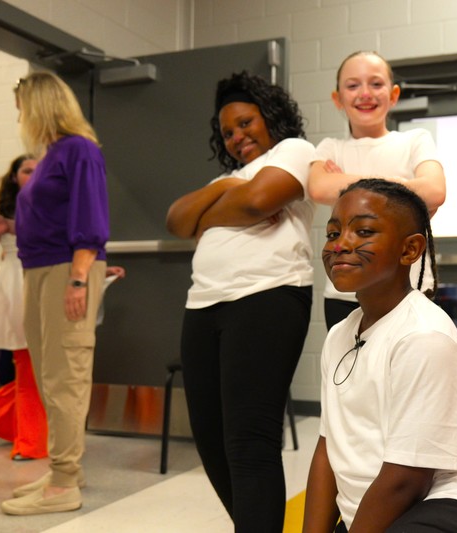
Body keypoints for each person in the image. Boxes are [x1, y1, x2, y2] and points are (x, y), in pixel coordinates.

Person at [303, 179, 457, 533]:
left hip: (446, 507)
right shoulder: (339, 334)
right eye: (333, 233)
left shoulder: (423, 336)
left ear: (410, 250)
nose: (341, 244)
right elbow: (326, 450)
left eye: (363, 231)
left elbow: (407, 480)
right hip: (377, 511)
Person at [165, 70, 315, 532]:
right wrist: (224, 188)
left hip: (267, 299)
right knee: (211, 443)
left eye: (246, 123)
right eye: (227, 131)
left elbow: (261, 200)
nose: (237, 137)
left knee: (249, 442)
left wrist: (211, 213)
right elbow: (175, 220)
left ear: (270, 117)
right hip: (204, 307)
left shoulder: (296, 152)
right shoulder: (228, 179)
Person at [0, 71, 109, 516]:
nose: (19, 117)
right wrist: (9, 226)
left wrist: (78, 277)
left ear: (39, 106)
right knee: (48, 375)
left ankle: (66, 483)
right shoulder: (53, 154)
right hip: (40, 268)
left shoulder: (79, 150)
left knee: (65, 374)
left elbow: (90, 219)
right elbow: (52, 219)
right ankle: (60, 470)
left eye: (21, 108)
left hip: (65, 270)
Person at [309, 51, 446, 329]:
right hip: (343, 291)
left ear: (393, 95)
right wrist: (403, 187)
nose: (365, 93)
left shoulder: (415, 140)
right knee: (347, 370)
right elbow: (319, 187)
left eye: (375, 84)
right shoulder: (329, 147)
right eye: (352, 85)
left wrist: (348, 184)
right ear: (337, 98)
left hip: (408, 286)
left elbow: (434, 190)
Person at [0, 155, 48, 461]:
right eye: (26, 170)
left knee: (43, 368)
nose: (33, 175)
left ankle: (30, 432)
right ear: (14, 177)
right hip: (15, 287)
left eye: (38, 170)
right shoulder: (2, 214)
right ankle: (30, 439)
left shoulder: (53, 208)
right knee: (26, 363)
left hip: (47, 282)